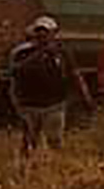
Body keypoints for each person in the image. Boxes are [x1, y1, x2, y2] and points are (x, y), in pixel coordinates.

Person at [8, 17, 89, 157]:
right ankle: (27, 163)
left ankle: (55, 164)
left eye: (45, 32)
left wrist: (84, 94)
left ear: (53, 34)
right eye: (39, 32)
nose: (42, 36)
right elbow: (16, 71)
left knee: (54, 139)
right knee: (29, 141)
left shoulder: (62, 52)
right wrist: (39, 53)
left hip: (54, 104)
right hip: (29, 105)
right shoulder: (22, 52)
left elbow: (74, 74)